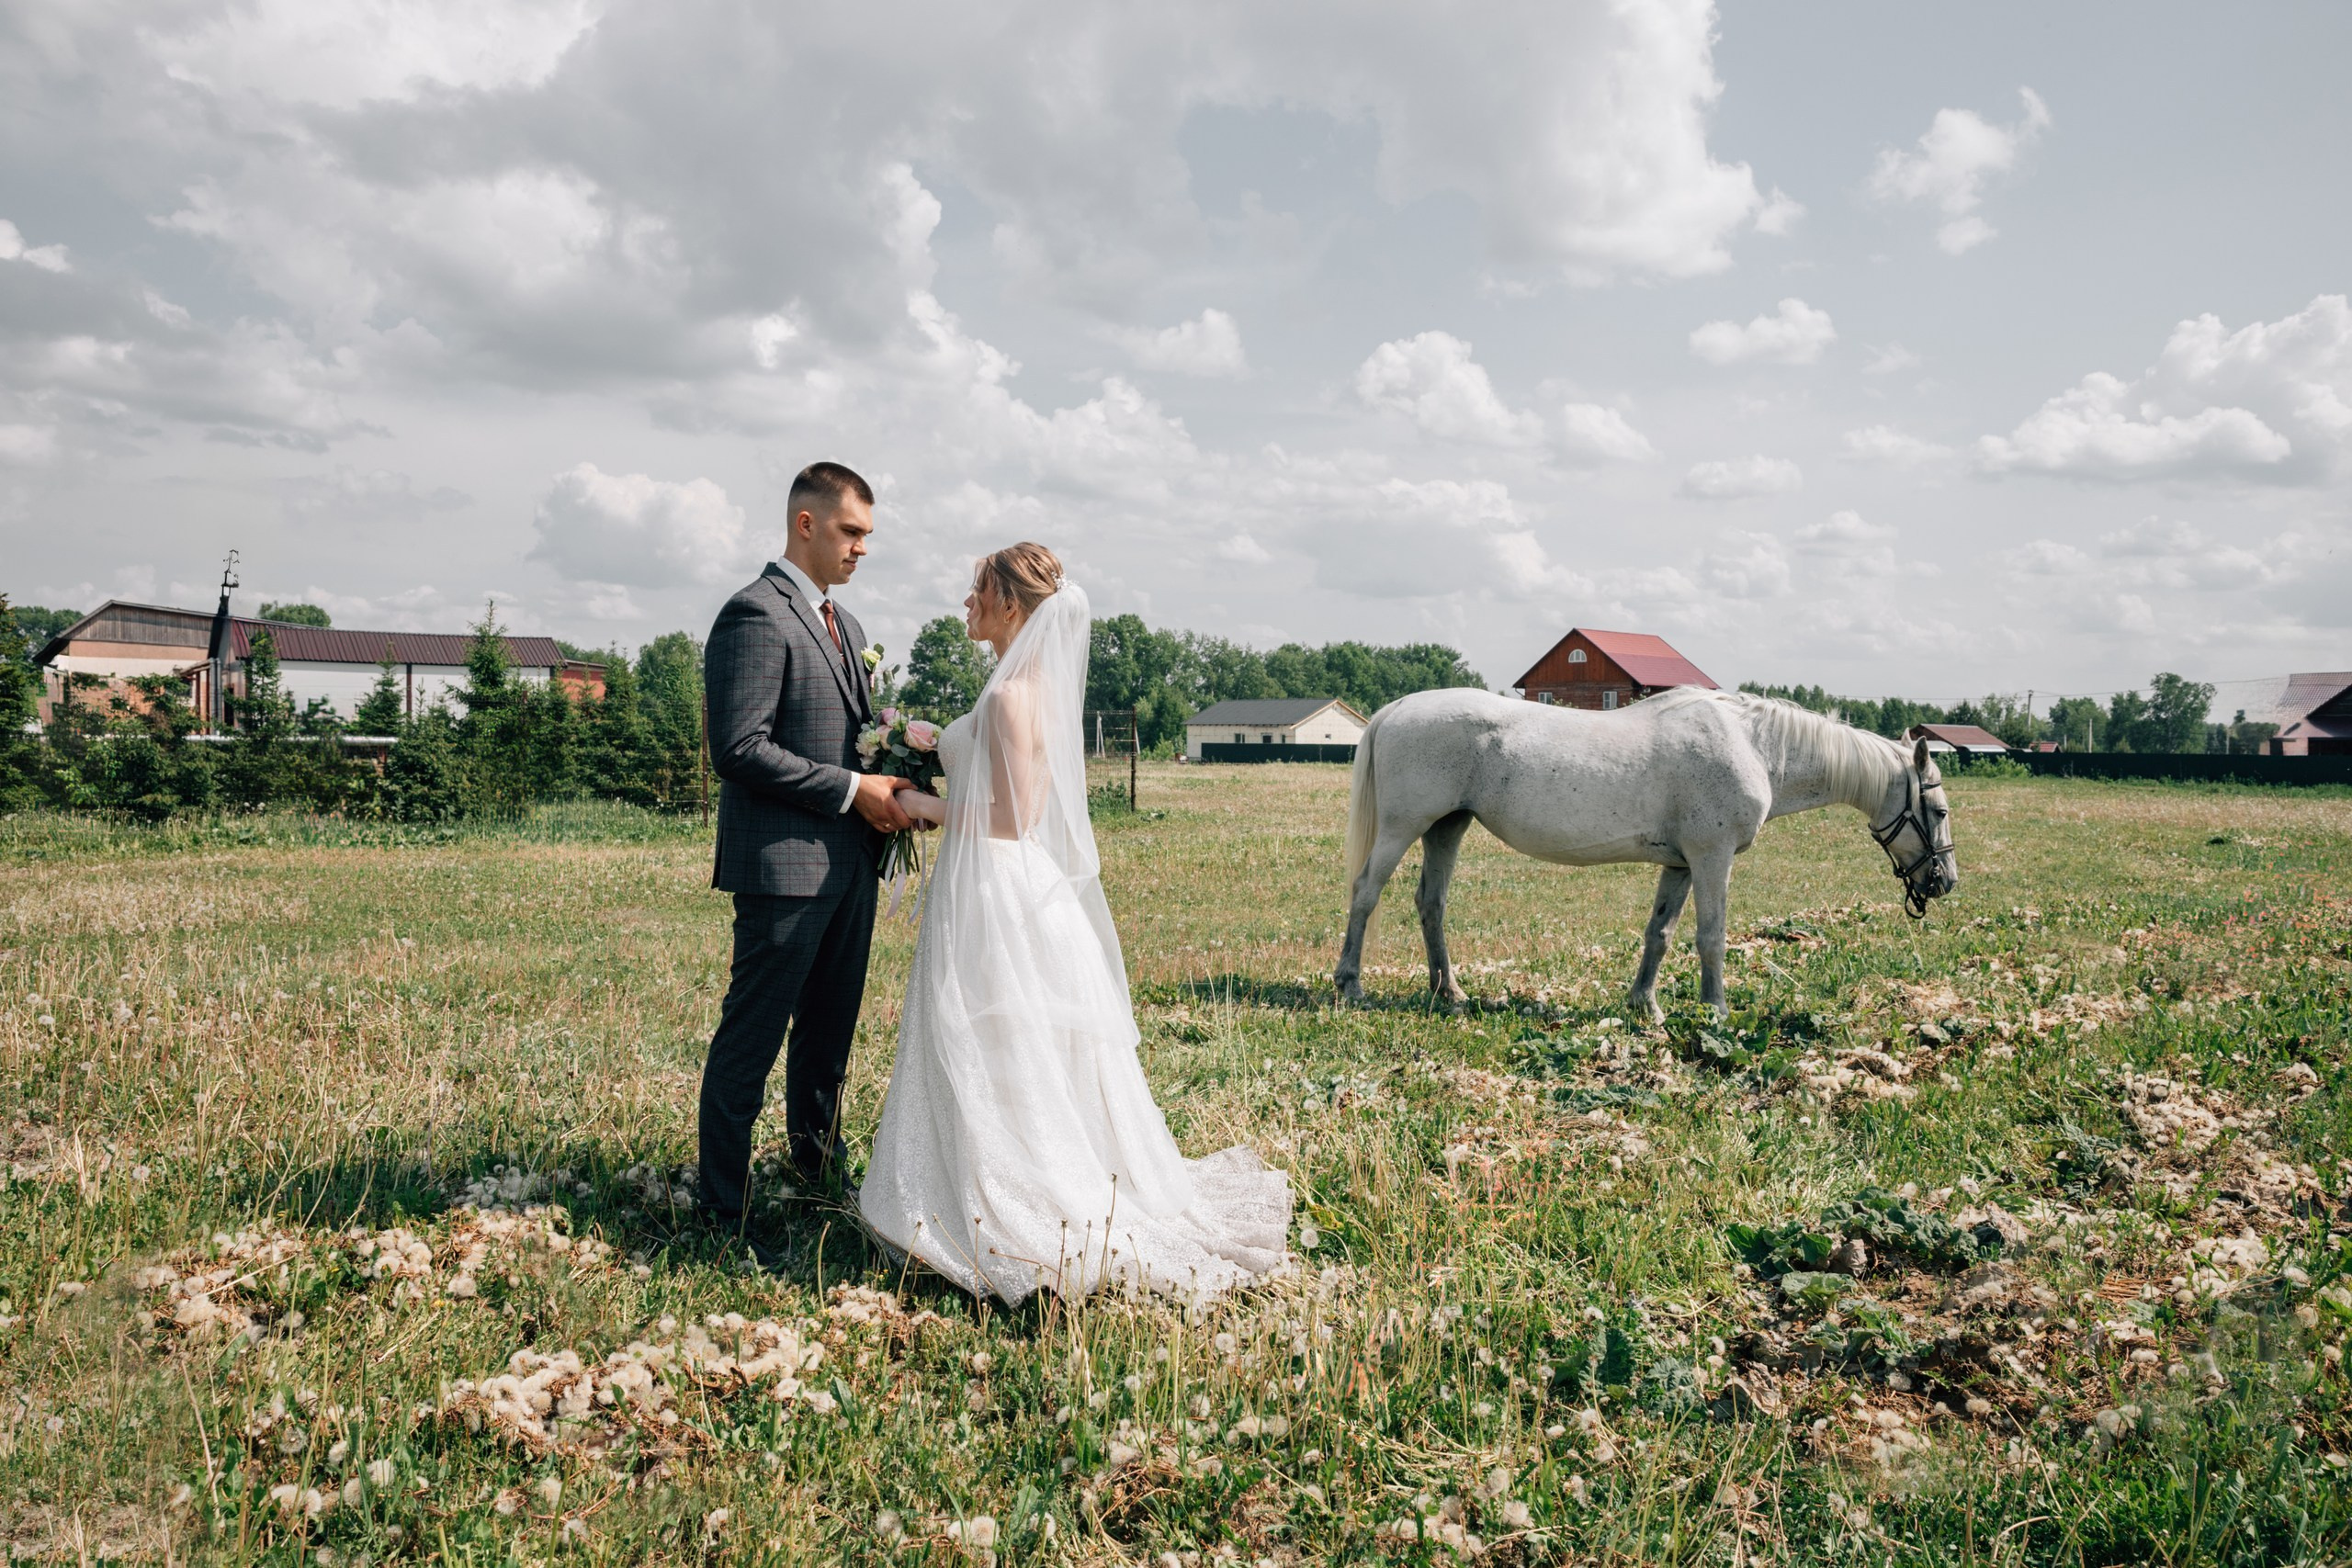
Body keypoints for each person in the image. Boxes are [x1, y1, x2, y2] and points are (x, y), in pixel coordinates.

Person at [858, 542, 1293, 1304]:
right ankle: (969, 1172)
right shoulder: (1015, 685)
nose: (966, 602)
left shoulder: (1010, 695)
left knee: (990, 1036)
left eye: (976, 591)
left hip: (998, 889)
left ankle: (1016, 1196)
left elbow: (1012, 818)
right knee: (995, 1040)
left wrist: (921, 805)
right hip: (995, 884)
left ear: (1011, 606)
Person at [698, 461, 916, 1263]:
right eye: (851, 531)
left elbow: (857, 736)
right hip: (783, 870)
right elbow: (740, 748)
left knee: (828, 1041)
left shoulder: (847, 628)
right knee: (750, 1042)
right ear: (805, 524)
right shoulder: (754, 613)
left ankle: (816, 1179)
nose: (862, 547)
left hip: (852, 867)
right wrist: (853, 786)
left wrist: (899, 772)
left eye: (867, 534)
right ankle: (722, 1213)